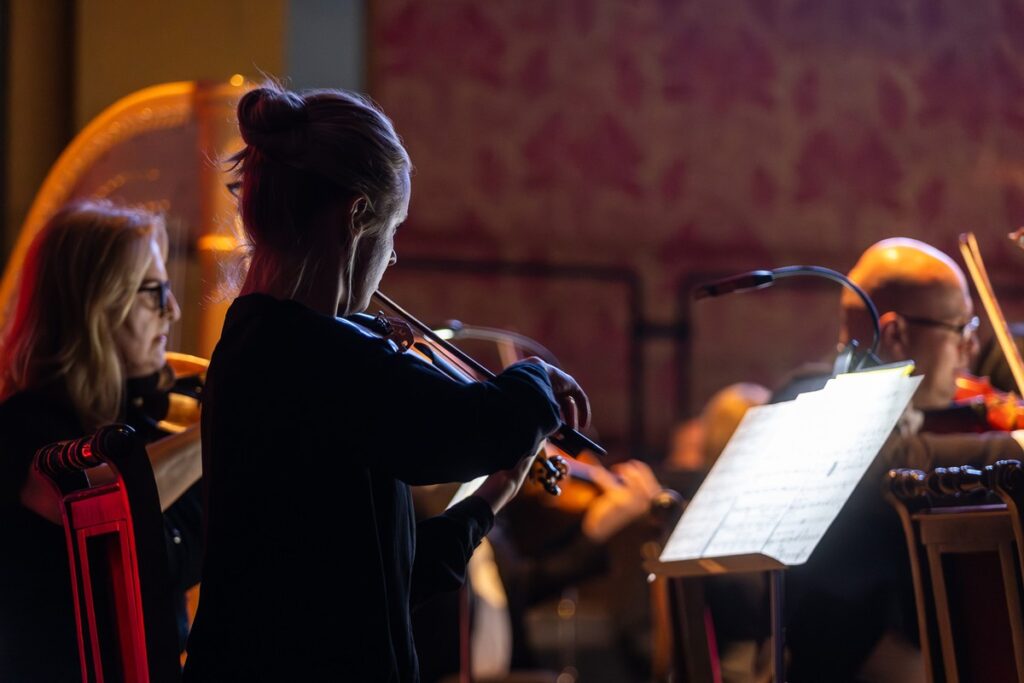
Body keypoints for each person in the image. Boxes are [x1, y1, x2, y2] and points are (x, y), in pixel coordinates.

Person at [181, 84, 589, 682]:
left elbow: (384, 582)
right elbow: (473, 426)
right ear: (355, 218)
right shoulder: (308, 352)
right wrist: (536, 379)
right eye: (392, 233)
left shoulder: (264, 342)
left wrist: (488, 500)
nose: (390, 256)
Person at [779, 237, 1024, 683]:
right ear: (894, 334)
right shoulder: (809, 396)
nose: (971, 351)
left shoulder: (920, 415)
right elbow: (892, 461)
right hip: (848, 661)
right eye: (960, 331)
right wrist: (1018, 446)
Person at [0, 199, 203, 681]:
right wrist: (228, 424)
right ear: (96, 304)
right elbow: (103, 497)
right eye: (153, 292)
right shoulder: (23, 428)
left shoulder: (147, 427)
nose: (171, 311)